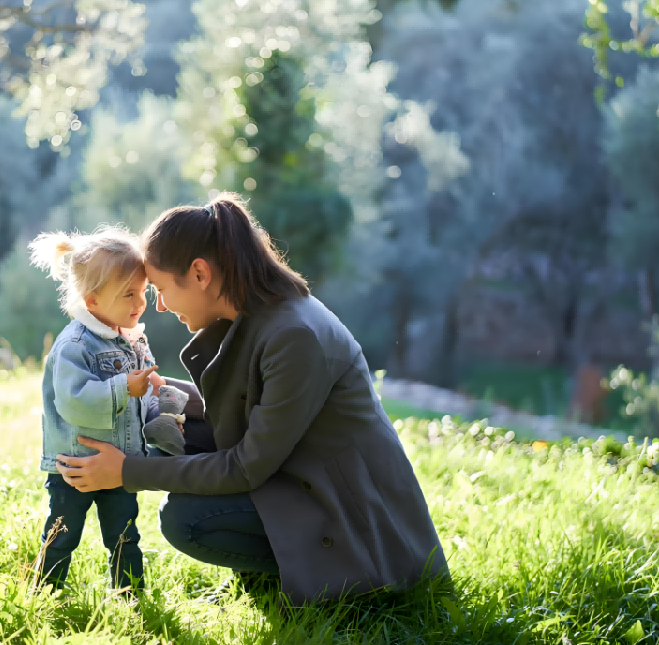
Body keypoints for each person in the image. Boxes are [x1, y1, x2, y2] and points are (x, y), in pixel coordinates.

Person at [54, 193, 449, 604]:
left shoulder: (294, 337)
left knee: (187, 518)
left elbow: (245, 467)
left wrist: (126, 472)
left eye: (161, 289)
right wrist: (153, 391)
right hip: (302, 475)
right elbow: (245, 411)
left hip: (356, 527)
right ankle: (268, 579)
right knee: (173, 431)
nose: (161, 305)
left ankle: (322, 584)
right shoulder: (259, 312)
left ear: (200, 273)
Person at [28, 226, 182, 591]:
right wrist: (123, 387)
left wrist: (159, 399)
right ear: (92, 300)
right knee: (62, 534)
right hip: (76, 467)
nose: (139, 302)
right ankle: (45, 592)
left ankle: (130, 594)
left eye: (142, 291)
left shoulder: (133, 338)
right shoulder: (75, 345)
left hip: (120, 464)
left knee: (125, 536)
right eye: (128, 294)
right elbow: (74, 402)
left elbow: (142, 393)